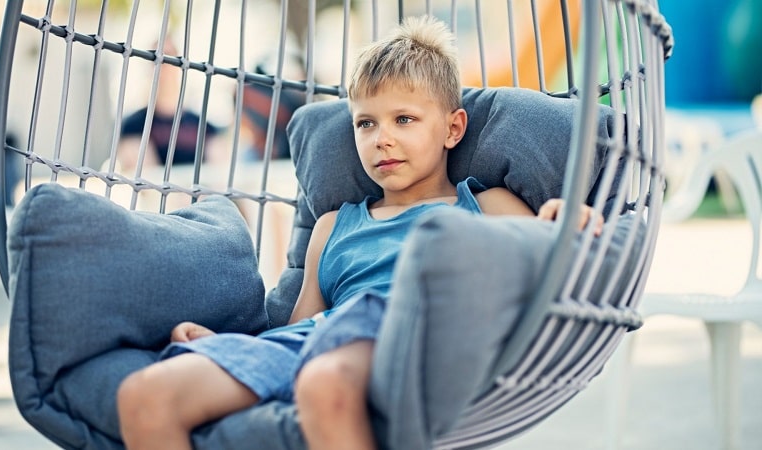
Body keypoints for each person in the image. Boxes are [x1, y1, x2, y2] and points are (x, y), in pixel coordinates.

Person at [116, 16, 603, 450]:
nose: (381, 138)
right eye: (365, 123)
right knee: (144, 396)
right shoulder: (333, 224)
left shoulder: (484, 205)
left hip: (404, 337)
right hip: (315, 342)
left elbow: (546, 260)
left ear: (453, 129)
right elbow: (302, 327)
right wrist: (229, 344)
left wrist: (561, 223)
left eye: (404, 119)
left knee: (324, 382)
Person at [117, 38, 224, 171]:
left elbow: (217, 176)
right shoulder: (133, 126)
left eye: (170, 56)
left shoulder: (205, 127)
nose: (164, 64)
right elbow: (146, 179)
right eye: (155, 58)